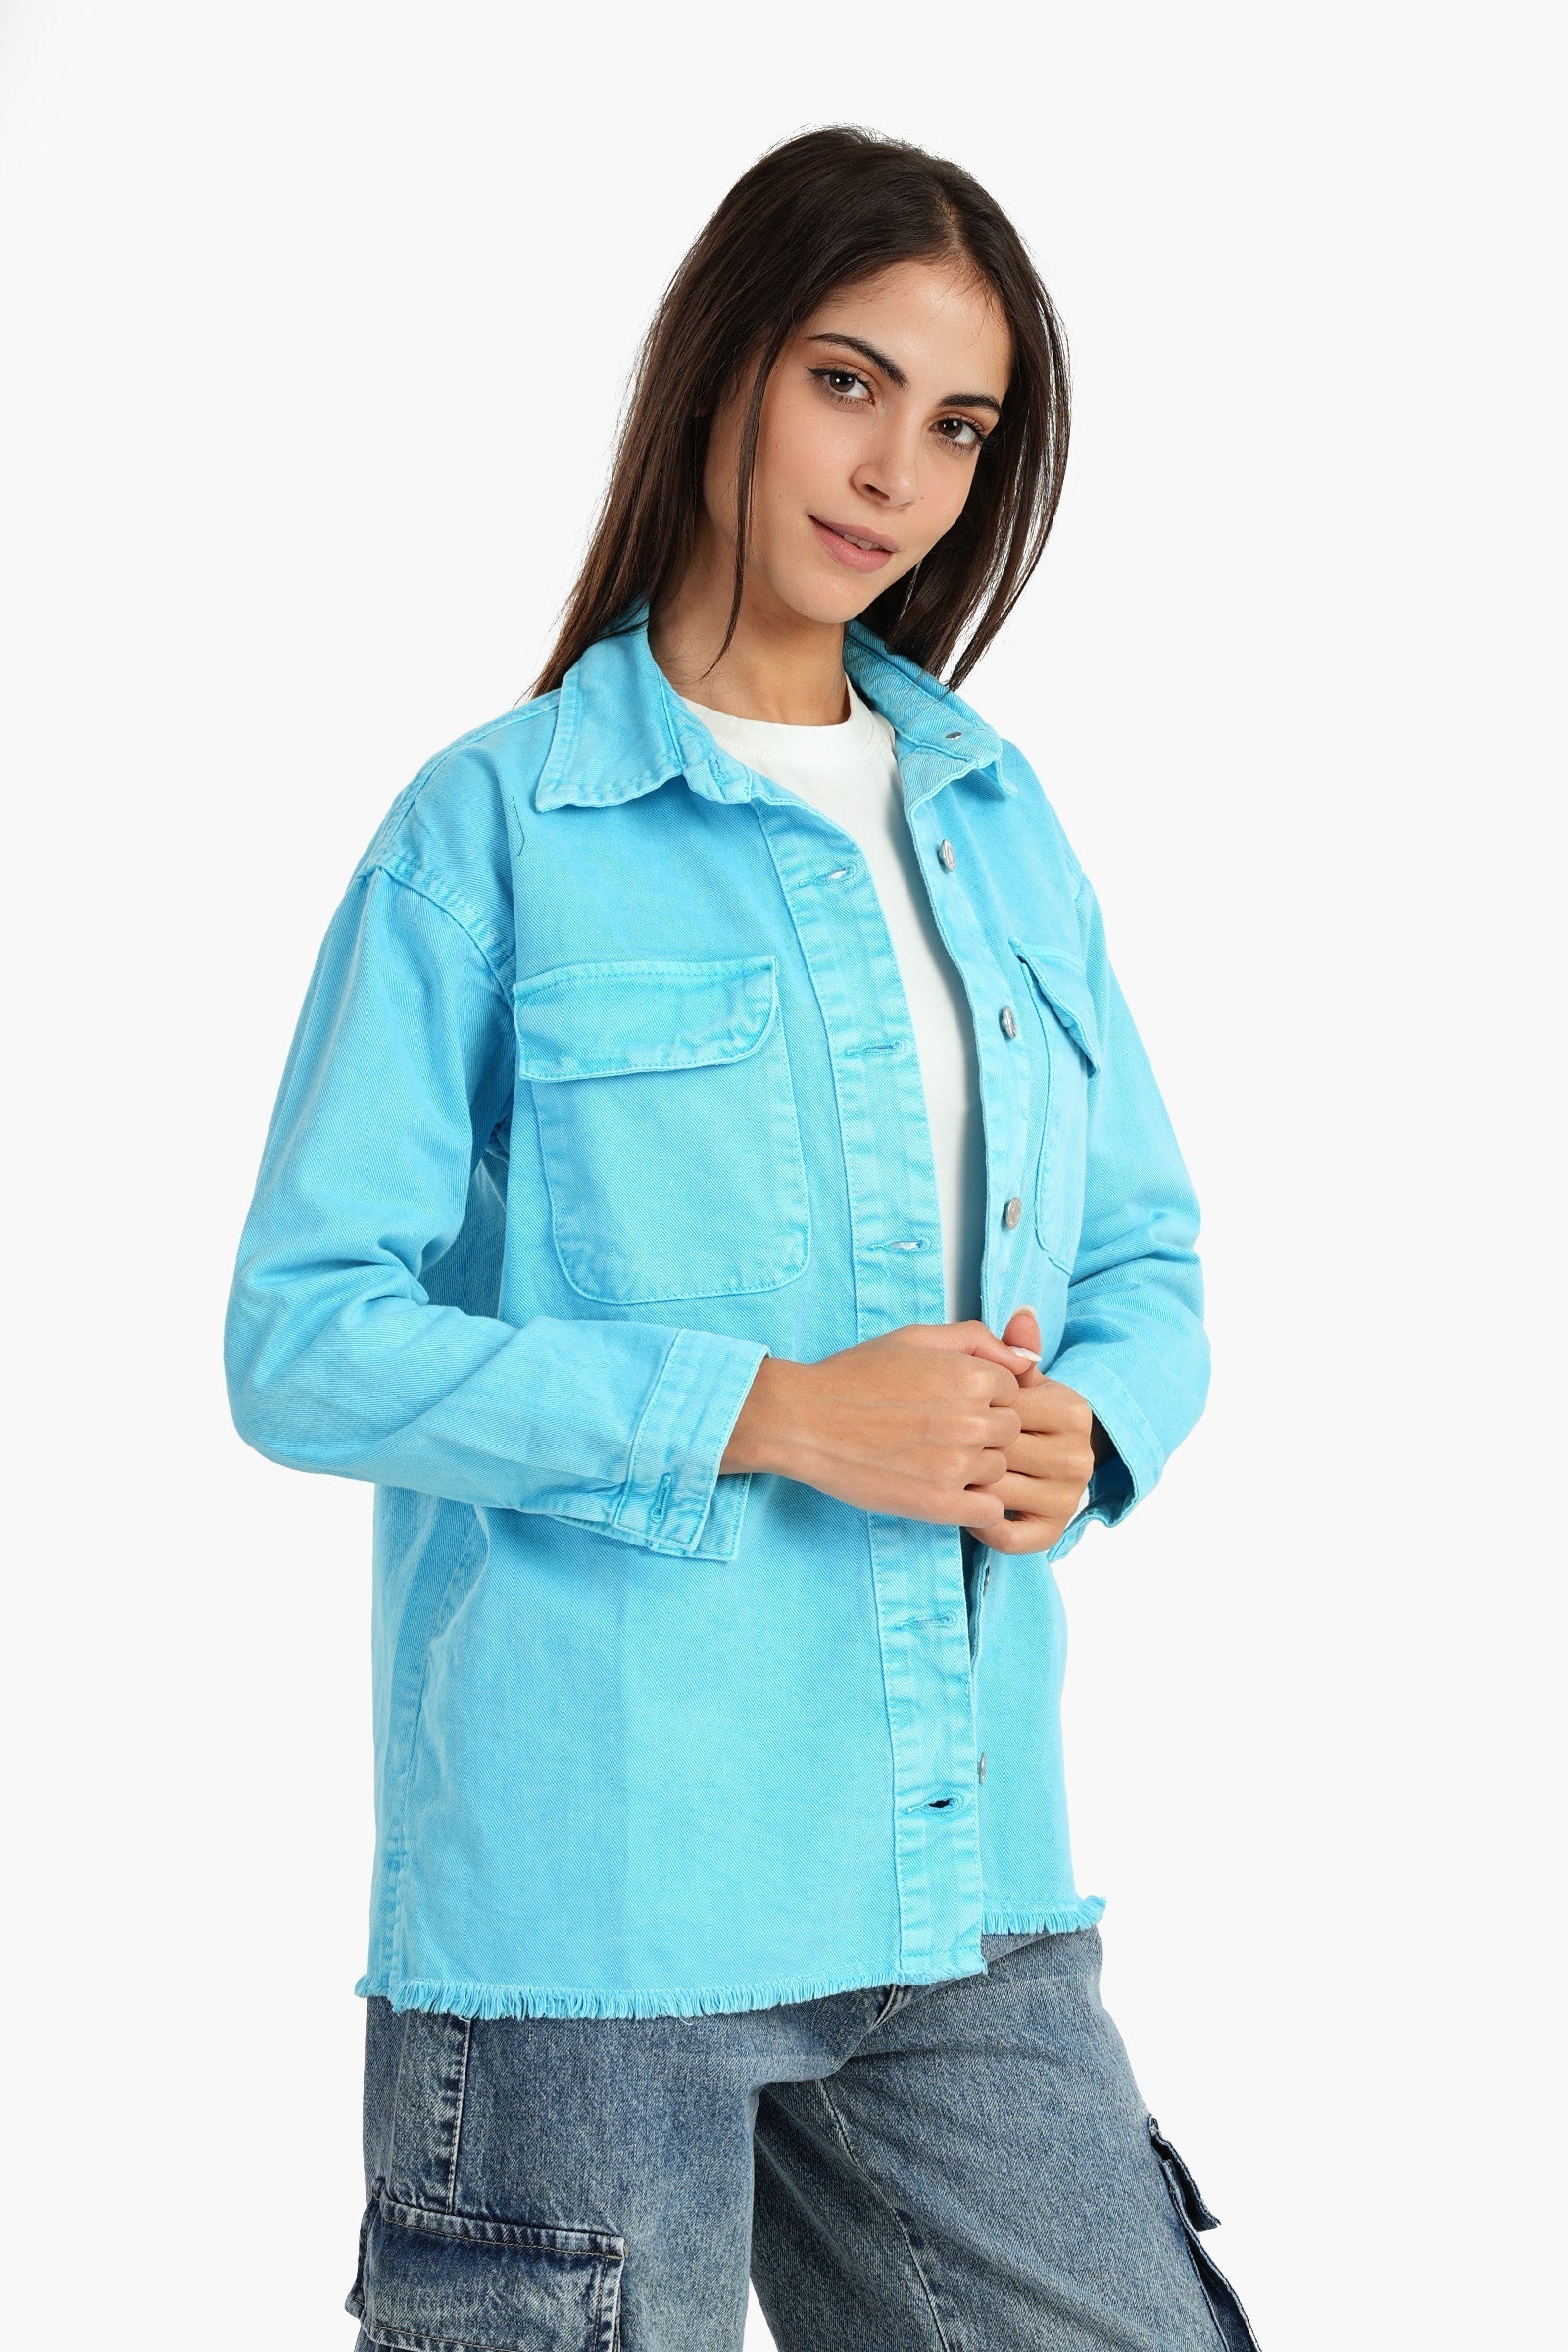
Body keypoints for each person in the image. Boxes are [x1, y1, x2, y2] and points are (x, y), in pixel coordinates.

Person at [225, 123, 1257, 2352]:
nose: (892, 472)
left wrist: (1091, 1430)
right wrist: (767, 1413)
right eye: (845, 382)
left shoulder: (994, 821)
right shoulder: (491, 832)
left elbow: (1146, 1255)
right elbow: (305, 1336)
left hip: (961, 1883)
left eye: (957, 425)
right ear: (724, 368)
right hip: (602, 1904)